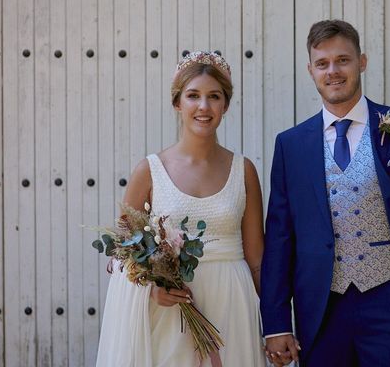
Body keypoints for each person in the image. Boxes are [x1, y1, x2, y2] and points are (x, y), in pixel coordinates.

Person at [260, 20, 390, 366]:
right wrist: (276, 323)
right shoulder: (291, 145)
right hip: (321, 310)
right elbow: (279, 239)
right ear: (310, 70)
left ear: (361, 62)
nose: (332, 71)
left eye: (343, 60)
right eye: (322, 63)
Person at [96, 51, 267, 367]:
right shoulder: (149, 170)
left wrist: (274, 325)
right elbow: (123, 255)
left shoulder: (244, 171)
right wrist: (152, 289)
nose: (204, 107)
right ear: (178, 103)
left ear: (225, 105)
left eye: (214, 97)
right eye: (193, 96)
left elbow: (257, 260)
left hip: (232, 303)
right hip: (170, 309)